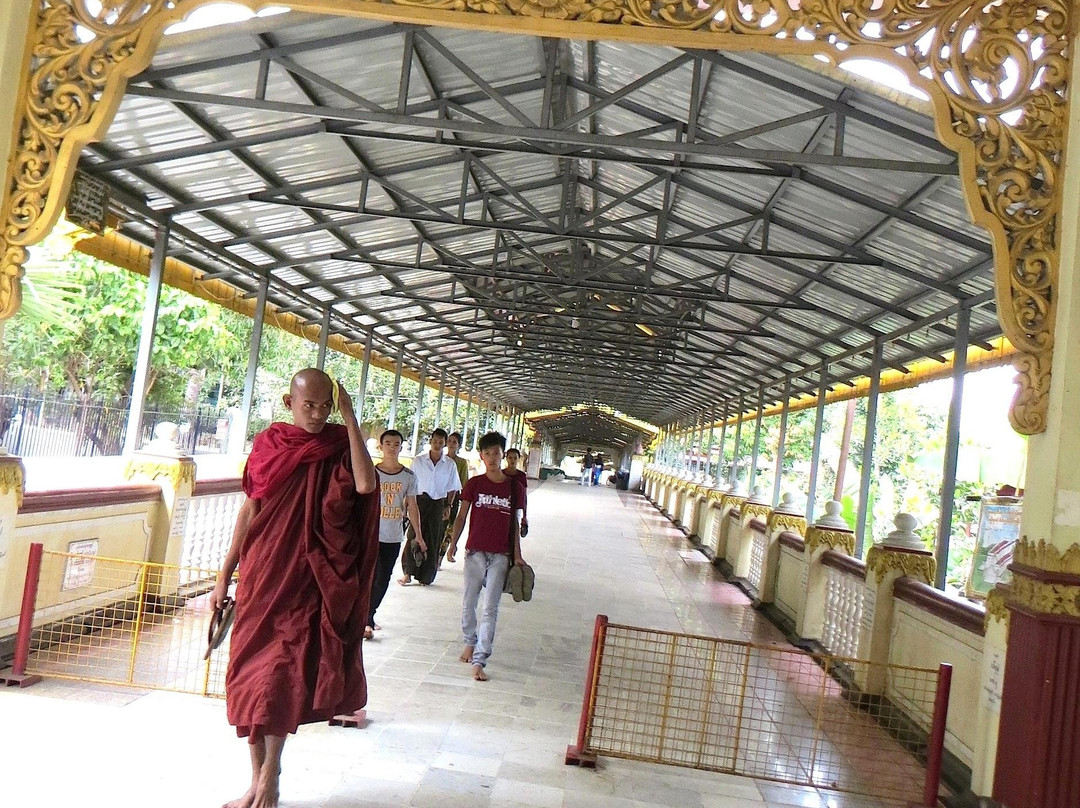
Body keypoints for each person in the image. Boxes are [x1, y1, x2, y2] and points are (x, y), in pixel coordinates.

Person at [209, 369, 378, 808]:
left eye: (327, 405)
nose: (319, 414)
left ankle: (271, 777)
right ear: (289, 402)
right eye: (309, 405)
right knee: (247, 678)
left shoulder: (341, 444)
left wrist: (350, 418)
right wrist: (224, 576)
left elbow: (365, 485)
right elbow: (251, 509)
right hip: (262, 575)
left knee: (280, 676)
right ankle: (256, 778)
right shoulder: (269, 446)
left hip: (307, 578)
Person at [446, 431, 525, 681]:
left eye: (497, 453)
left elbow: (514, 524)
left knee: (491, 607)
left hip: (500, 555)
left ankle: (480, 660)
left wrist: (518, 556)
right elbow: (461, 516)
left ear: (504, 455)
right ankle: (469, 641)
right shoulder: (475, 484)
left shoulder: (515, 487)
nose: (492, 458)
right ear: (481, 456)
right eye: (488, 453)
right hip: (475, 552)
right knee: (470, 601)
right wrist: (453, 544)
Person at [367, 429, 425, 639]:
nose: (392, 447)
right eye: (388, 443)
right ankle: (365, 619)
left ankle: (369, 615)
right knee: (367, 577)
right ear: (380, 447)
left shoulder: (409, 476)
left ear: (401, 447)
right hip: (370, 534)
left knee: (382, 578)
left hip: (392, 535)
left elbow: (412, 506)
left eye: (396, 444)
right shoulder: (371, 473)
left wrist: (418, 535)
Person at [399, 427, 462, 585]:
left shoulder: (450, 464)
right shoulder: (419, 461)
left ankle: (426, 576)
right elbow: (409, 484)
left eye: (441, 442)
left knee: (433, 539)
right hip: (419, 501)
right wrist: (406, 505)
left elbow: (452, 487)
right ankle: (408, 572)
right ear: (430, 441)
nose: (437, 444)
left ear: (445, 444)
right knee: (413, 535)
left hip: (437, 504)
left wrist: (448, 505)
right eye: (435, 441)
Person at [441, 431, 471, 561]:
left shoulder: (462, 463)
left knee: (450, 528)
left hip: (454, 498)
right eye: (450, 441)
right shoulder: (441, 460)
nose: (451, 444)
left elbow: (464, 482)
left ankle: (441, 557)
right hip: (440, 496)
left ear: (459, 445)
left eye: (454, 442)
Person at [503, 447, 529, 537]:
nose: (512, 460)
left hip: (516, 507)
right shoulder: (501, 474)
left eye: (515, 458)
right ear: (506, 458)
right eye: (510, 458)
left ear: (519, 459)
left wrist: (524, 516)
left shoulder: (521, 476)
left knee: (514, 530)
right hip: (502, 505)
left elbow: (524, 496)